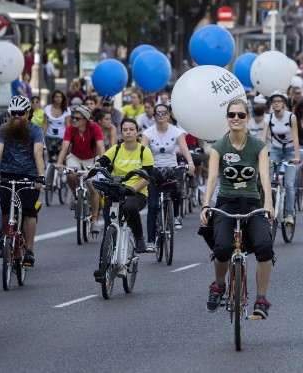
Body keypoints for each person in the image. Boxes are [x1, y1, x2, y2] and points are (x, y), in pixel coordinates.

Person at [200, 98, 275, 319]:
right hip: (226, 203)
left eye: (241, 115)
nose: (236, 118)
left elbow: (264, 177)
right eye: (232, 114)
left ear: (247, 118)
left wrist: (268, 204)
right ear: (227, 118)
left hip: (252, 202)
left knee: (264, 246)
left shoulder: (258, 146)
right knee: (222, 247)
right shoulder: (218, 147)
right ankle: (219, 285)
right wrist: (206, 205)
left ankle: (261, 299)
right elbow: (212, 178)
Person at [0, 96, 45, 267]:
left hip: (30, 176)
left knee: (29, 211)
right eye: (13, 113)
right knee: (3, 208)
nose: (16, 116)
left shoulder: (35, 130)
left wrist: (41, 176)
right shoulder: (3, 129)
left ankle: (29, 250)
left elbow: (38, 153)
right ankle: (4, 237)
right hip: (7, 174)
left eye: (20, 113)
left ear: (28, 113)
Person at [93, 118, 154, 263]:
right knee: (108, 228)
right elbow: (102, 161)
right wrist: (93, 168)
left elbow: (147, 178)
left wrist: (132, 190)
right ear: (121, 132)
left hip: (137, 193)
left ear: (137, 132)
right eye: (125, 130)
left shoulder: (144, 151)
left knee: (129, 207)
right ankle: (103, 266)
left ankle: (139, 238)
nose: (128, 132)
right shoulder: (116, 149)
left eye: (131, 129)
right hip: (116, 191)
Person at [141, 104, 195, 250]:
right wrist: (141, 166)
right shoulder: (148, 132)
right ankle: (151, 242)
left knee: (176, 190)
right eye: (158, 113)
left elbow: (184, 148)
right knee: (153, 205)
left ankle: (175, 216)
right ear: (154, 116)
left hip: (171, 168)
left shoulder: (176, 131)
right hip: (154, 170)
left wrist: (190, 163)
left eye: (164, 113)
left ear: (168, 115)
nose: (161, 115)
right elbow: (142, 150)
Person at [55, 105, 105, 234]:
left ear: (85, 120)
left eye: (77, 118)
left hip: (92, 158)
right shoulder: (71, 129)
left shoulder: (94, 127)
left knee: (92, 184)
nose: (74, 120)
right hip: (75, 156)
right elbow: (64, 147)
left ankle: (94, 220)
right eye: (73, 117)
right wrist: (59, 163)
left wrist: (102, 163)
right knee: (71, 175)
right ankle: (73, 194)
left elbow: (100, 147)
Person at [261, 90, 300, 227]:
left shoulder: (291, 117)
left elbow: (295, 138)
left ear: (284, 103)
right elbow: (263, 137)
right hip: (276, 150)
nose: (276, 104)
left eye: (279, 101)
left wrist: (297, 156)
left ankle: (289, 214)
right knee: (269, 180)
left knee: (289, 184)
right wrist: (260, 153)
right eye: (274, 101)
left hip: (290, 151)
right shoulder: (269, 118)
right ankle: (268, 208)